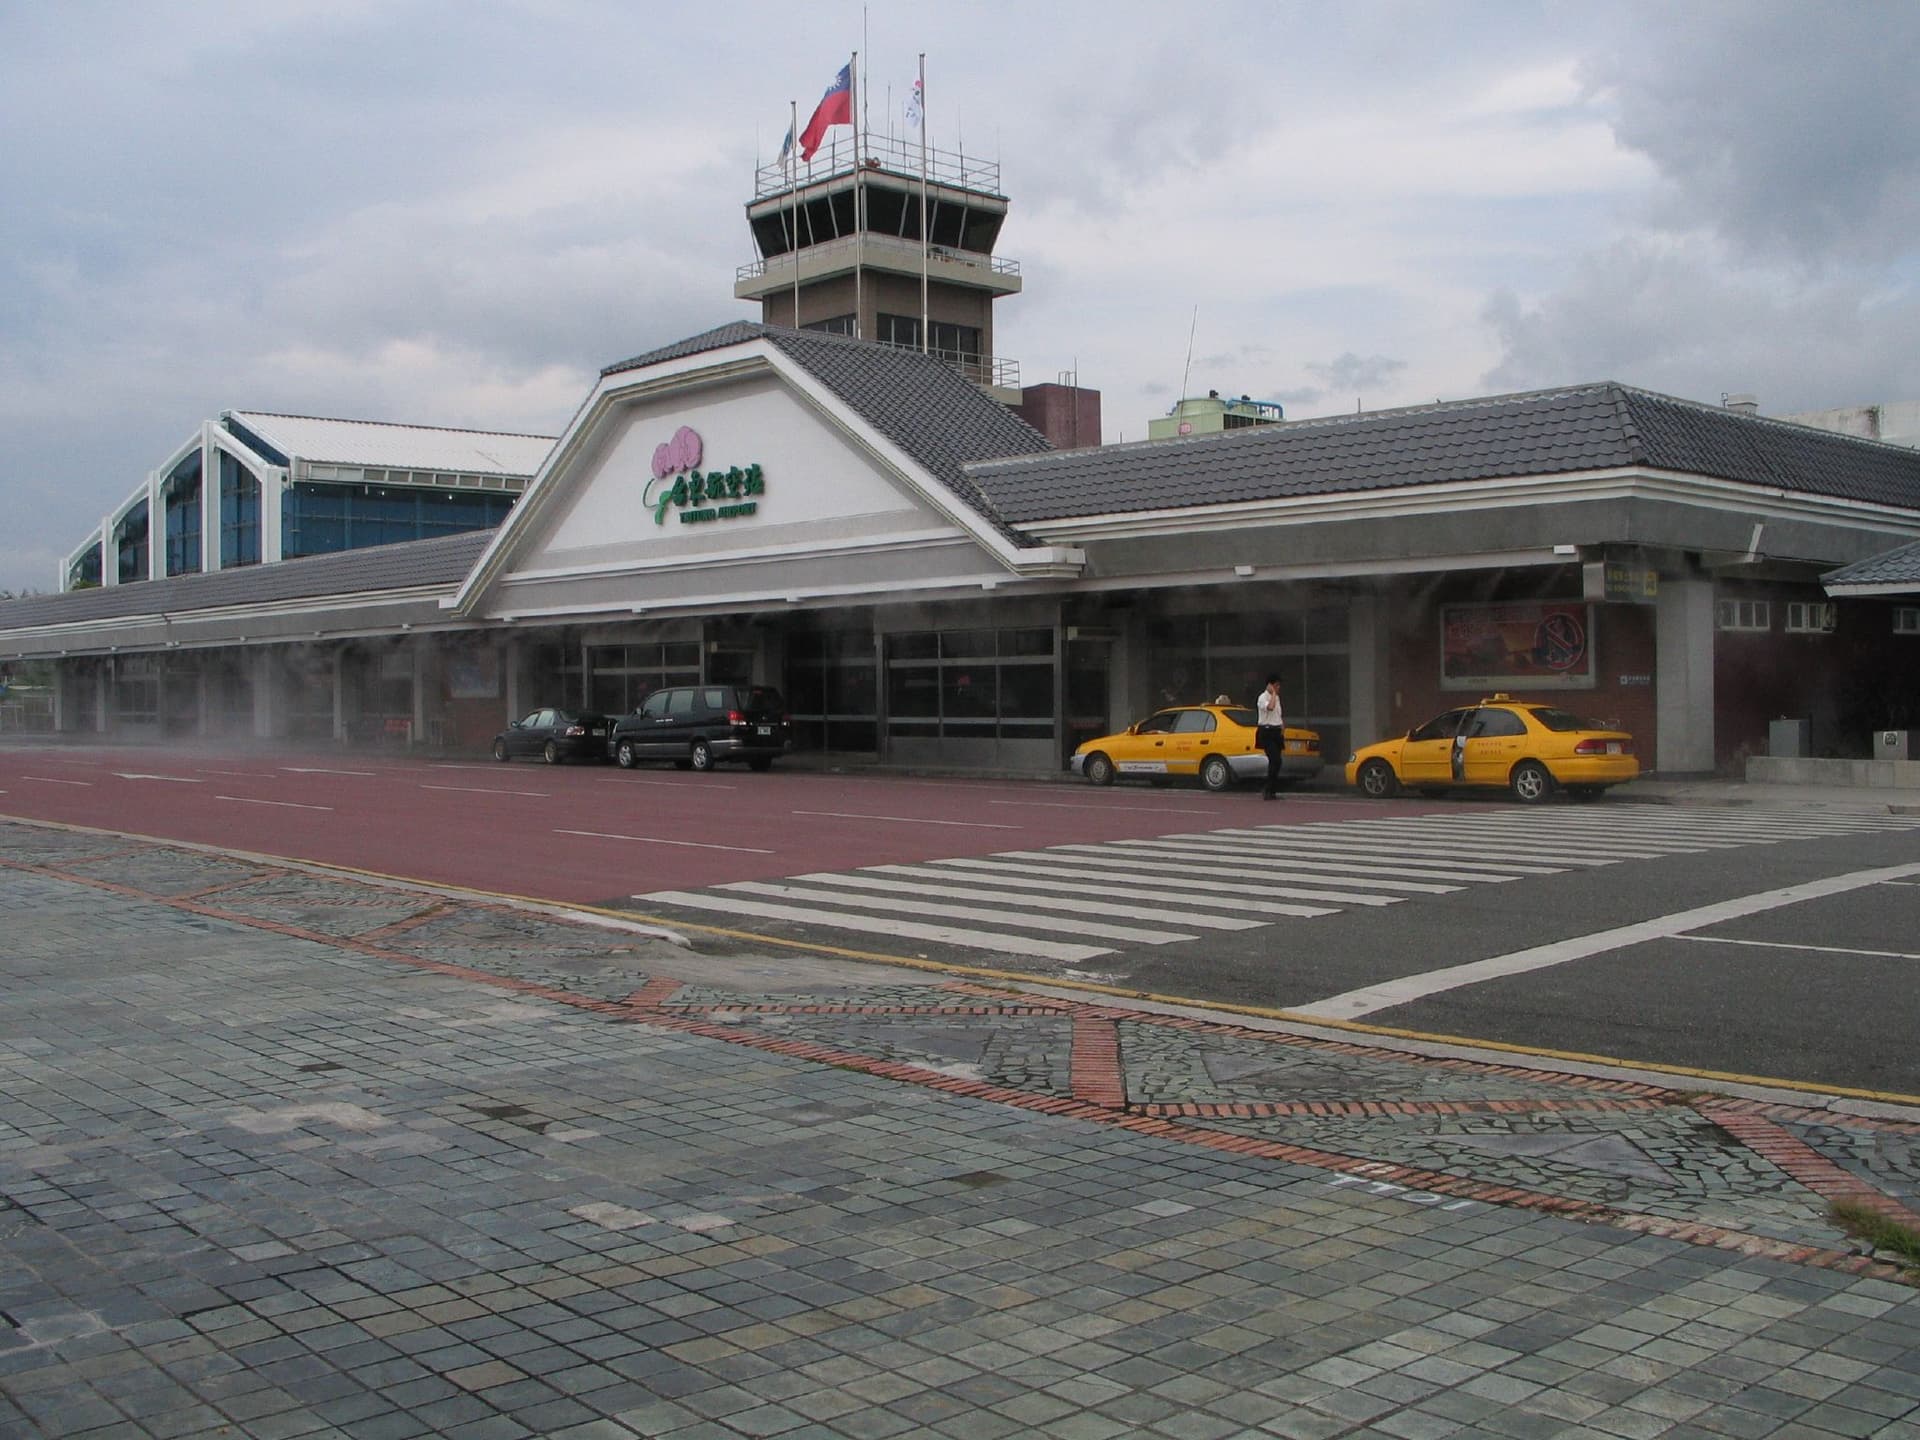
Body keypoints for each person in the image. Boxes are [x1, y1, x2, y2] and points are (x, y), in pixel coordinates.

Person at [1256, 673, 1287, 800]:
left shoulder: (1277, 698)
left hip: (1276, 731)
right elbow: (1270, 707)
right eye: (1276, 685)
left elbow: (1277, 713)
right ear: (1270, 685)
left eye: (1279, 686)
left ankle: (1272, 790)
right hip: (1266, 731)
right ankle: (1267, 789)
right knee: (1274, 759)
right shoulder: (1263, 697)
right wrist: (1273, 693)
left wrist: (1281, 725)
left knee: (1277, 762)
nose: (1278, 688)